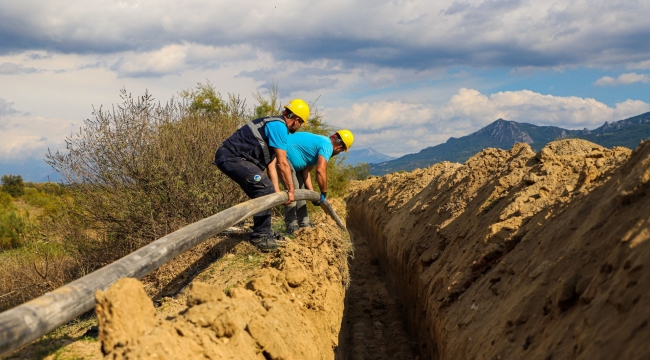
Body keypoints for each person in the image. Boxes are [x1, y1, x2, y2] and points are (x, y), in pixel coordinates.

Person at [213, 99, 310, 252]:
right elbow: (282, 163)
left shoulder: (273, 125)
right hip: (232, 157)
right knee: (264, 189)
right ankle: (260, 235)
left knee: (265, 190)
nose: (298, 127)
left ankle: (265, 231)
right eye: (300, 124)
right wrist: (290, 190)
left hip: (234, 158)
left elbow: (271, 165)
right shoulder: (278, 126)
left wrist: (276, 192)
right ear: (297, 120)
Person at [270, 130, 354, 234]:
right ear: (340, 147)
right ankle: (291, 227)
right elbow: (320, 171)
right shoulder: (327, 146)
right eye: (340, 151)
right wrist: (324, 192)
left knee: (302, 194)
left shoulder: (322, 142)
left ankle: (304, 224)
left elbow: (306, 171)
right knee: (293, 194)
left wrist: (312, 193)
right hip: (284, 160)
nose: (338, 153)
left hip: (295, 166)